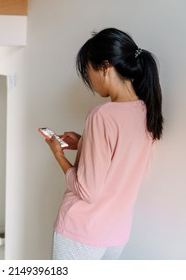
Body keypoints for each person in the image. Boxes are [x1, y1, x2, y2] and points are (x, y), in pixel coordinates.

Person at [45, 28, 164, 260]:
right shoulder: (146, 111)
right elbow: (127, 164)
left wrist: (59, 155)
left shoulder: (102, 115)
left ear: (105, 67)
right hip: (116, 233)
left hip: (81, 232)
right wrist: (85, 143)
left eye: (88, 72)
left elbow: (87, 191)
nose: (89, 79)